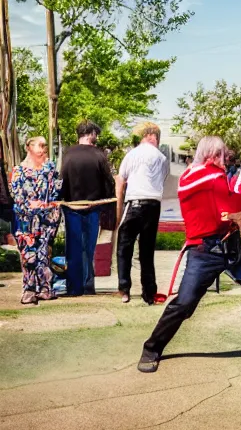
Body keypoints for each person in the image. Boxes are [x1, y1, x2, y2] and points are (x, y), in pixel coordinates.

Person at [137, 136, 241, 373]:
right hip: (204, 251)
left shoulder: (196, 175)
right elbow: (234, 206)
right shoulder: (205, 176)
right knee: (184, 305)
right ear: (212, 155)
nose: (225, 160)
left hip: (231, 248)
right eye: (222, 155)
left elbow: (227, 212)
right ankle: (151, 349)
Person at [60, 120, 115, 296]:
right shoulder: (99, 155)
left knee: (73, 247)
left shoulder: (67, 153)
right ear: (91, 134)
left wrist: (62, 199)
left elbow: (62, 179)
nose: (96, 137)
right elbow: (108, 181)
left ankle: (73, 287)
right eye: (95, 134)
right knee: (88, 248)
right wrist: (108, 202)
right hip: (93, 206)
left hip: (71, 206)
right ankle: (88, 284)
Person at [116, 123, 169, 304]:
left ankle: (124, 289)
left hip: (134, 202)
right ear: (154, 137)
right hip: (153, 204)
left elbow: (121, 181)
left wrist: (118, 209)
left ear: (144, 136)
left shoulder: (132, 154)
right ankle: (149, 292)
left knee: (125, 246)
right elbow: (162, 179)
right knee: (147, 250)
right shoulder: (162, 158)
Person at [9, 137, 61, 305]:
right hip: (26, 220)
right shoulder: (19, 171)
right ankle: (29, 290)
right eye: (39, 145)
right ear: (28, 147)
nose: (42, 149)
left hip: (47, 219)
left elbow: (56, 192)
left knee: (45, 253)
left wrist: (49, 206)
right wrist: (31, 206)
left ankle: (46, 288)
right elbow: (17, 196)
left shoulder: (50, 169)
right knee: (29, 256)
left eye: (44, 146)